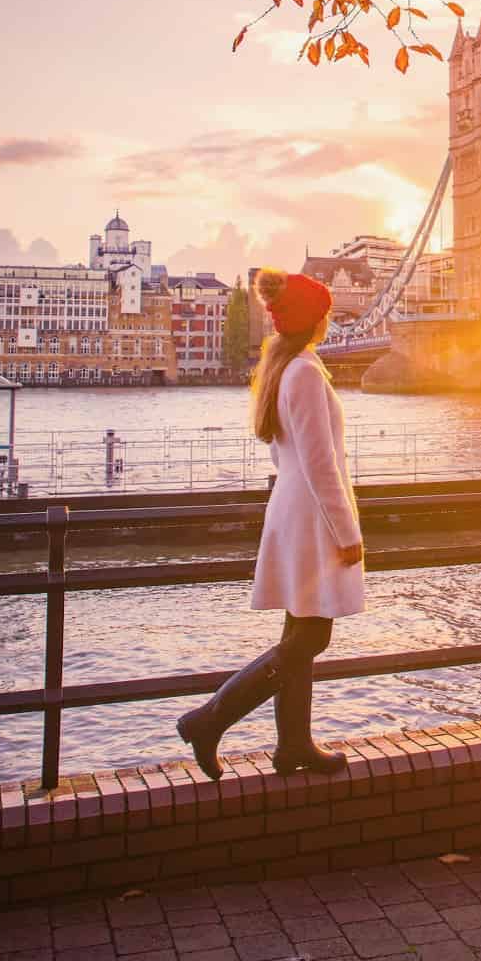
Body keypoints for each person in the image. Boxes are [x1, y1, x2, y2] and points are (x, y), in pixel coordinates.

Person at [176, 268, 364, 778]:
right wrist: (349, 534)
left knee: (299, 630)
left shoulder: (289, 365)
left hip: (295, 506)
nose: (330, 320)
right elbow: (320, 461)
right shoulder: (302, 371)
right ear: (315, 320)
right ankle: (210, 720)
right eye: (326, 312)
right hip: (312, 516)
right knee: (310, 638)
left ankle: (294, 746)